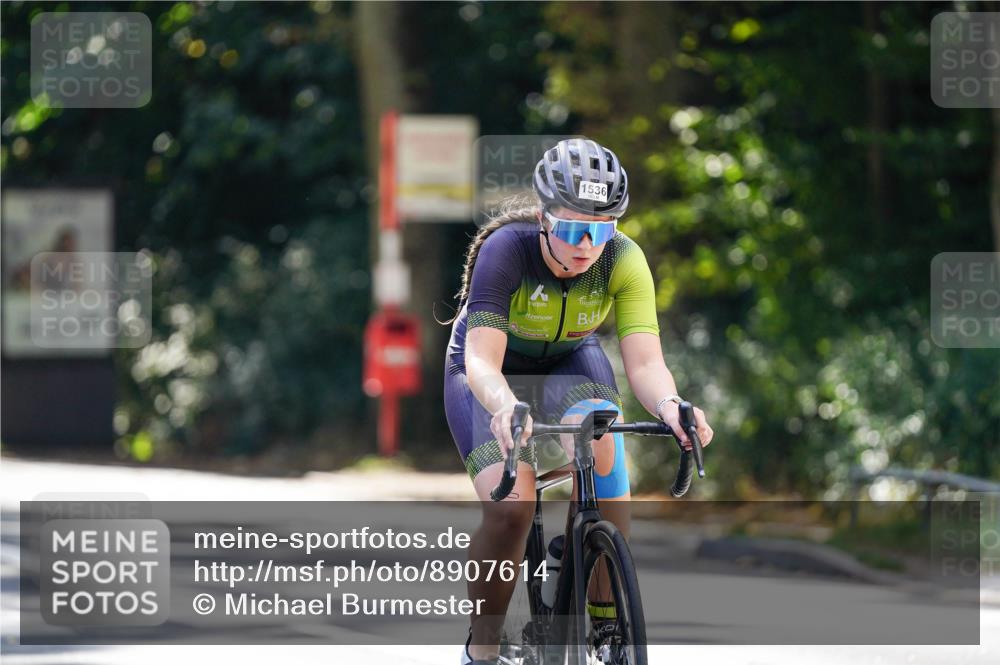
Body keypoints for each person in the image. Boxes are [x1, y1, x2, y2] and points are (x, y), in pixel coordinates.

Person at [443, 138, 714, 665]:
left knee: (604, 447)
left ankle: (600, 605)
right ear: (545, 218)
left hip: (569, 359)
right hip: (487, 369)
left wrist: (673, 406)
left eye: (604, 227)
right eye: (572, 227)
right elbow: (481, 361)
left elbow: (645, 363)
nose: (587, 242)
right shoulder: (508, 250)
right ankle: (483, 648)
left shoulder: (624, 258)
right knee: (511, 511)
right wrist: (503, 405)